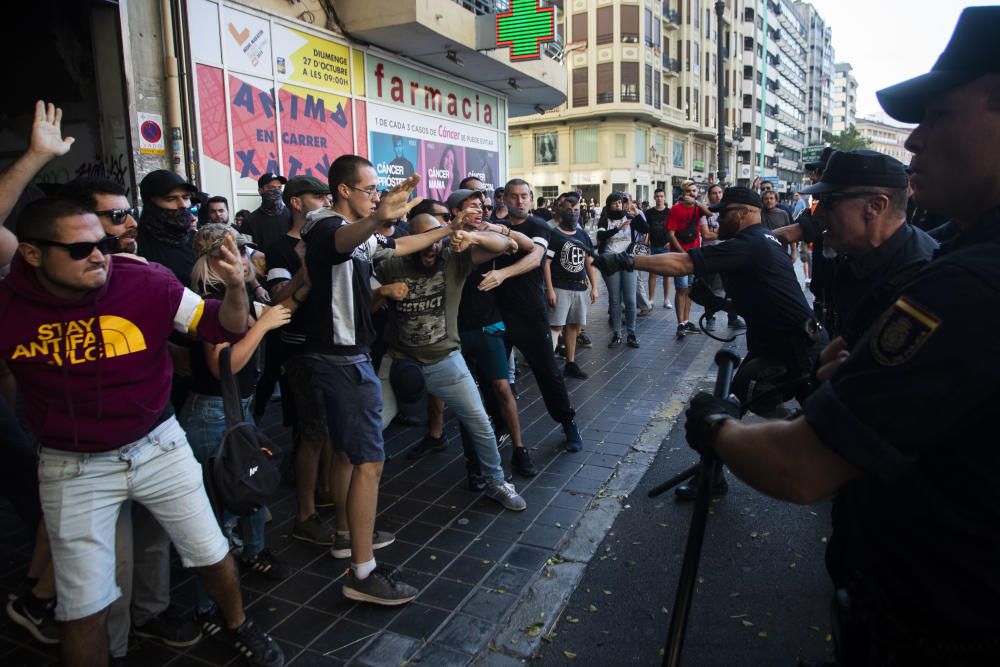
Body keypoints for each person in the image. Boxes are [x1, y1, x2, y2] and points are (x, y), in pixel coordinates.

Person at [685, 9, 1000, 664]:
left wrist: (716, 425)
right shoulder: (952, 254)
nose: (912, 143)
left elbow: (801, 467)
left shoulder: (966, 282)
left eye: (938, 115)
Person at [0, 198, 283, 666]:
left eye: (104, 245)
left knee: (211, 552)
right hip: (72, 466)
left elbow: (224, 326)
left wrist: (236, 288)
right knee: (83, 606)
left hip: (159, 444)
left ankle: (238, 624)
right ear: (31, 254)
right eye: (79, 249)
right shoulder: (10, 307)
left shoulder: (145, 282)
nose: (98, 257)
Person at [298, 157, 458, 603]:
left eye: (377, 189)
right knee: (370, 461)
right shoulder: (325, 225)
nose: (377, 195)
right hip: (342, 359)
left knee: (350, 455)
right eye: (368, 189)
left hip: (348, 356)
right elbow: (340, 241)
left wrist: (448, 228)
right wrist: (375, 217)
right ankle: (362, 574)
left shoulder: (359, 232)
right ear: (344, 191)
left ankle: (348, 537)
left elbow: (397, 249)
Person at [596, 187, 824, 497]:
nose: (715, 219)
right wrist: (719, 304)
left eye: (723, 213)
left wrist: (627, 261)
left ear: (743, 213)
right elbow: (764, 300)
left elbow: (682, 264)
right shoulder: (764, 240)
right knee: (730, 410)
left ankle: (804, 468)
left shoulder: (748, 244)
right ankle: (712, 475)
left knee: (815, 425)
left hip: (797, 350)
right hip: (783, 345)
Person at [374, 207, 529, 510]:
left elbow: (505, 246)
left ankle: (496, 482)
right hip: (399, 361)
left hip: (446, 359)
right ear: (411, 239)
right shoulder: (390, 264)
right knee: (370, 426)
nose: (431, 247)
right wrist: (382, 293)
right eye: (423, 238)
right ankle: (358, 486)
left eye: (435, 239)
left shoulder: (453, 259)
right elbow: (362, 305)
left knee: (480, 422)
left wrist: (469, 236)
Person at [180, 224, 295, 619]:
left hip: (234, 408)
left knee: (248, 482)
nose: (248, 258)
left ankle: (254, 552)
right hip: (212, 413)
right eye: (240, 251)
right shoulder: (209, 297)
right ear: (218, 259)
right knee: (213, 511)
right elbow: (220, 366)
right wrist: (262, 326)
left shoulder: (237, 293)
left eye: (246, 250)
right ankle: (207, 607)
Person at [482, 179, 584, 451]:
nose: (519, 201)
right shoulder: (491, 224)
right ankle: (500, 425)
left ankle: (568, 422)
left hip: (530, 314)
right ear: (504, 198)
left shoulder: (538, 225)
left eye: (524, 196)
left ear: (530, 198)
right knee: (492, 376)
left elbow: (534, 258)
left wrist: (502, 273)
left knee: (548, 374)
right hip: (495, 314)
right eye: (514, 196)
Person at [796, 150, 938, 344]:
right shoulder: (852, 257)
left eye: (829, 201)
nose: (818, 213)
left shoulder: (923, 279)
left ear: (876, 206)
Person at [544, 193, 598, 378]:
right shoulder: (554, 234)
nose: (573, 213)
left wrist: (594, 286)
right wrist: (550, 289)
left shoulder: (582, 234)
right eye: (569, 210)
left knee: (574, 326)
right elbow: (546, 263)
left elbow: (588, 260)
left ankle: (571, 363)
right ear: (561, 210)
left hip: (579, 288)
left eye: (576, 210)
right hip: (560, 287)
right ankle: (548, 367)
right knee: (556, 326)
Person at [666, 180, 712, 338]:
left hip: (695, 255)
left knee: (690, 290)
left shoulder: (698, 208)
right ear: (684, 193)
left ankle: (686, 321)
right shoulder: (675, 209)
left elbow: (710, 214)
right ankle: (681, 323)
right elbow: (670, 234)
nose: (693, 193)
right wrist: (682, 252)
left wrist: (698, 204)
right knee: (681, 289)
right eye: (690, 191)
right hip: (680, 256)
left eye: (695, 191)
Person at [596, 192, 642, 348]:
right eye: (614, 203)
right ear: (609, 206)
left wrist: (637, 214)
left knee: (630, 300)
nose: (618, 206)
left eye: (620, 203)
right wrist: (618, 228)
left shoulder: (630, 217)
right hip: (610, 260)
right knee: (615, 299)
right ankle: (617, 334)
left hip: (627, 259)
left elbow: (646, 228)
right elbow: (601, 235)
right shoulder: (605, 219)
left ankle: (631, 333)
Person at [241, 173, 290, 253]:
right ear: (260, 191)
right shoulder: (249, 220)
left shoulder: (291, 215)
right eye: (271, 188)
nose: (276, 191)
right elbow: (246, 249)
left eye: (279, 188)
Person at [644, 189, 673, 310]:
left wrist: (670, 241)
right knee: (652, 274)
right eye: (657, 196)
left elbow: (674, 228)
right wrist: (647, 240)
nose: (659, 198)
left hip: (666, 246)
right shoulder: (649, 212)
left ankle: (667, 299)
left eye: (661, 196)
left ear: (665, 197)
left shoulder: (670, 212)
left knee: (667, 274)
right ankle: (651, 298)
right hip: (653, 245)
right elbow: (646, 228)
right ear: (654, 197)